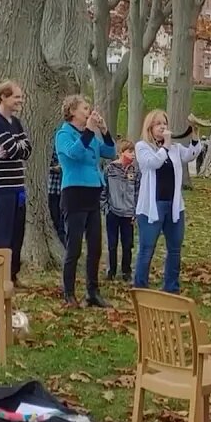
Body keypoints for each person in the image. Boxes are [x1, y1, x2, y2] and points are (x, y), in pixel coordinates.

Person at [54, 95, 117, 308]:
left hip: (92, 194)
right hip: (74, 194)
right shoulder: (64, 134)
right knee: (74, 247)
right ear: (72, 112)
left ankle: (93, 291)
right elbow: (74, 155)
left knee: (95, 246)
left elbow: (110, 152)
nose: (89, 111)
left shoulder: (89, 136)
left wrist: (105, 131)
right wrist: (89, 131)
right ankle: (69, 292)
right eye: (84, 108)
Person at [133, 110, 206, 294]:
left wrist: (194, 135)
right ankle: (141, 287)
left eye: (164, 123)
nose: (163, 127)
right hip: (152, 207)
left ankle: (171, 287)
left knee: (174, 248)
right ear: (150, 127)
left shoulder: (174, 148)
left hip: (174, 206)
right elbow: (153, 163)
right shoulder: (142, 147)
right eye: (158, 124)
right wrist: (165, 146)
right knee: (147, 248)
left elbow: (190, 154)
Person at [0, 80, 33, 286]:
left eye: (21, 97)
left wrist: (14, 147)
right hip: (2, 187)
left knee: (17, 233)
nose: (20, 101)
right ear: (3, 97)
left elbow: (26, 150)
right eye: (16, 97)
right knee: (2, 233)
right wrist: (15, 147)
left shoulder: (16, 123)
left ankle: (12, 274)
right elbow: (13, 150)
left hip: (18, 187)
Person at [104, 139, 137, 282]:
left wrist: (136, 211)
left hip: (129, 213)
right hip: (113, 212)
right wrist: (105, 207)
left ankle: (126, 271)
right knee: (112, 243)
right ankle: (111, 271)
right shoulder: (110, 169)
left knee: (127, 244)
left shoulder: (135, 171)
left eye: (134, 151)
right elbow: (103, 189)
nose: (133, 155)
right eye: (130, 151)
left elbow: (138, 191)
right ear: (121, 153)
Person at [48, 148, 66, 245]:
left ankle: (62, 242)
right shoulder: (50, 148)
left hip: (64, 188)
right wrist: (55, 168)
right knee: (54, 217)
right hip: (51, 188)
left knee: (62, 219)